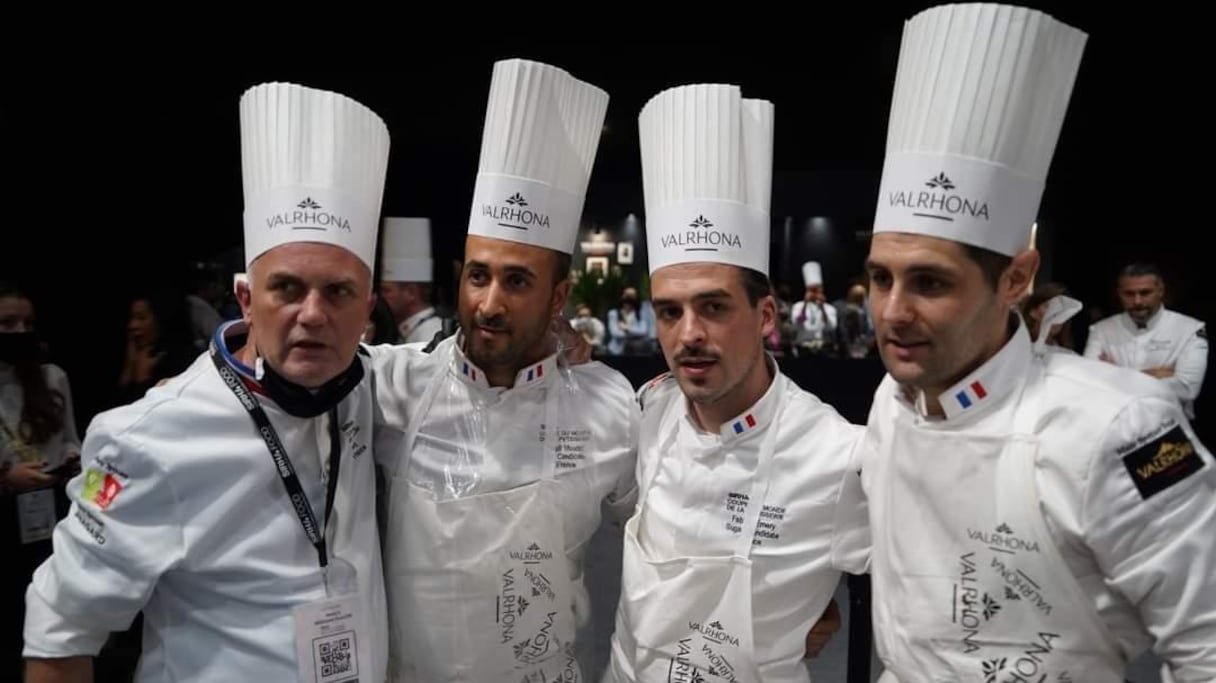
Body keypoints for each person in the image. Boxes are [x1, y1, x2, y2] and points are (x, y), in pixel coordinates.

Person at [857, 5, 1216, 680]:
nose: (893, 312)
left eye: (930, 282)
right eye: (881, 277)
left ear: (1016, 277)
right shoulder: (890, 399)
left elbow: (1208, 643)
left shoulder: (1127, 428)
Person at [23, 82, 391, 682]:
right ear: (246, 298)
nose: (314, 314)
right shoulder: (148, 438)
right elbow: (60, 635)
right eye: (288, 288)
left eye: (339, 292)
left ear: (367, 307)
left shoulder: (370, 387)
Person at [367, 58, 637, 683]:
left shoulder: (610, 406)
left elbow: (670, 526)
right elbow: (286, 385)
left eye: (517, 281)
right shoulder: (395, 385)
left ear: (559, 294)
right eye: (478, 275)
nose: (489, 303)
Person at [606, 82, 863, 683]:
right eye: (670, 311)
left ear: (766, 316)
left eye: (714, 307)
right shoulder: (648, 411)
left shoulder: (838, 454)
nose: (688, 334)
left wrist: (818, 602)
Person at [0, 284, 80, 679]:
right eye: (7, 323)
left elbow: (69, 437)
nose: (19, 331)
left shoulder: (52, 377)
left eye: (27, 323)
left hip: (49, 504)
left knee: (50, 603)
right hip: (5, 509)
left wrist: (70, 458)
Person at [1084, 263, 1208, 418]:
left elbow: (1187, 388)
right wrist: (1154, 374)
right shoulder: (1101, 330)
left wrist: (1115, 376)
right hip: (1115, 423)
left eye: (1145, 293)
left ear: (1161, 290)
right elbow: (1089, 382)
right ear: (1119, 293)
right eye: (1128, 294)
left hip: (1169, 425)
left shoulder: (1190, 329)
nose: (1137, 301)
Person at [114, 289, 196, 405]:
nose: (132, 325)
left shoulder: (179, 360)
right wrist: (129, 366)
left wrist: (142, 380)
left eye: (141, 318)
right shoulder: (134, 355)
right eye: (131, 318)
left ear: (160, 320)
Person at [379, 217, 446, 345]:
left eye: (387, 291)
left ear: (411, 292)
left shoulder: (434, 334)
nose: (382, 298)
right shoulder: (405, 332)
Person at [790, 261, 837, 356]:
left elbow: (831, 327)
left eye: (817, 290)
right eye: (812, 290)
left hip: (823, 348)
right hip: (803, 347)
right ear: (807, 291)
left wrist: (822, 308)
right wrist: (805, 304)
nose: (815, 293)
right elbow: (797, 323)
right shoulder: (798, 306)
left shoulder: (829, 308)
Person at [1020, 282, 1079, 353]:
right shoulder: (1018, 343)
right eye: (1048, 306)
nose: (1057, 314)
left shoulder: (1065, 353)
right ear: (1033, 311)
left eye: (1062, 310)